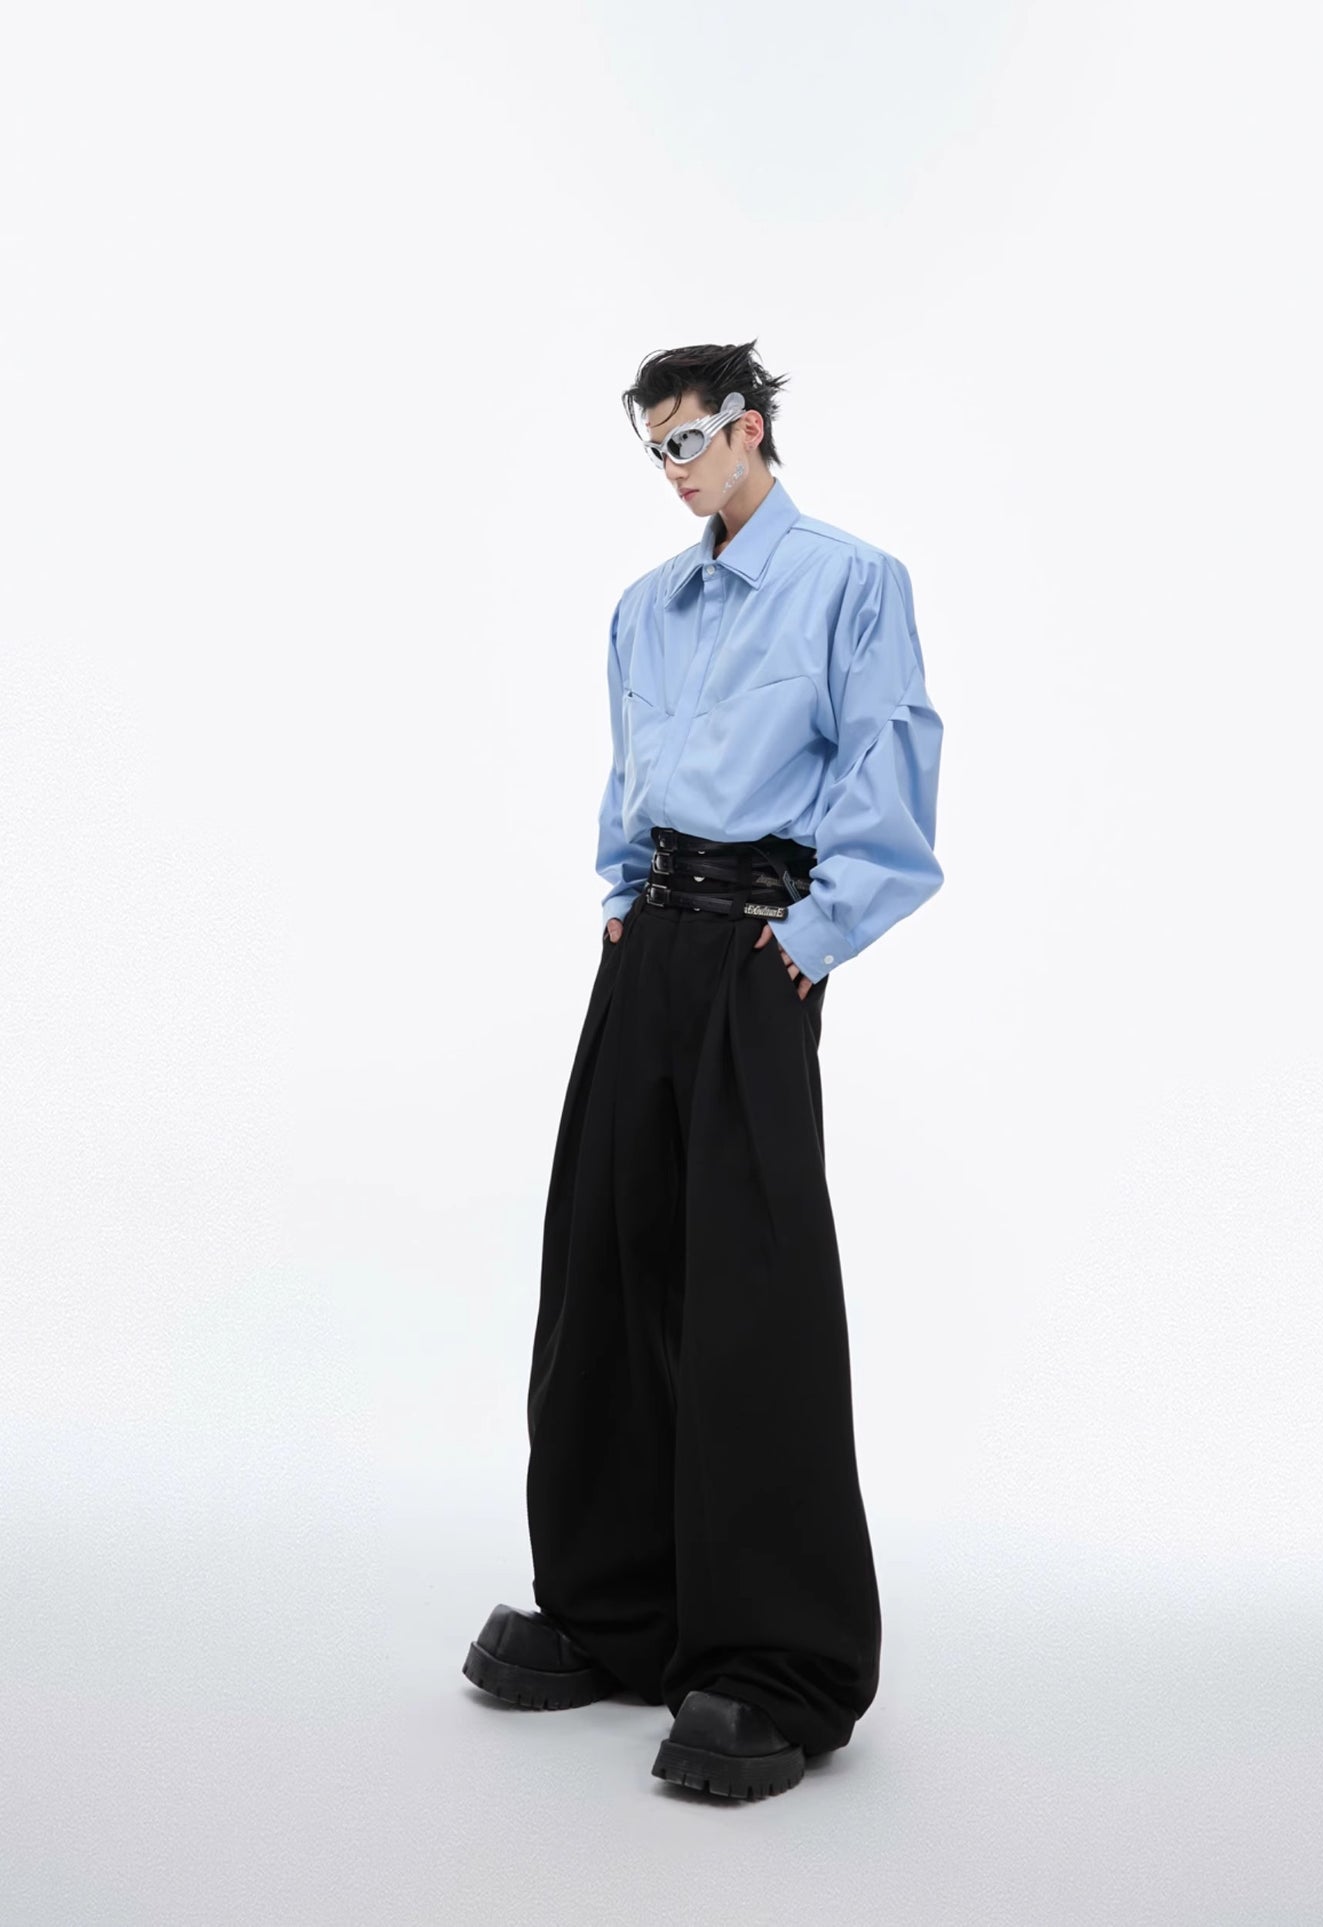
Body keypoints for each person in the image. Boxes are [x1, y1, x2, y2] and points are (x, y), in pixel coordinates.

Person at [463, 340, 945, 1800]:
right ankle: (617, 1613)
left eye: (685, 442)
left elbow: (890, 773)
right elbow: (631, 770)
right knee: (604, 1266)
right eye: (652, 449)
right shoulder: (644, 608)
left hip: (756, 953)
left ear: (749, 428)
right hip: (649, 946)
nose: (670, 472)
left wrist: (809, 941)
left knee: (750, 1292)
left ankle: (776, 1664)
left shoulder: (851, 583)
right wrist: (622, 894)